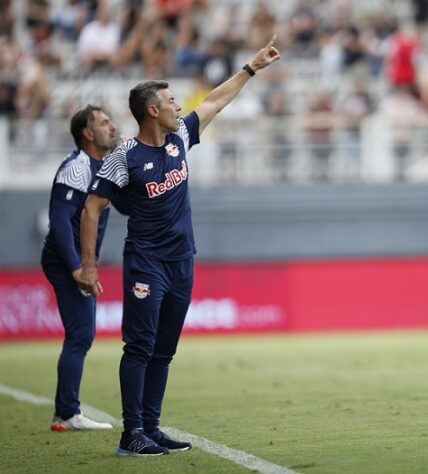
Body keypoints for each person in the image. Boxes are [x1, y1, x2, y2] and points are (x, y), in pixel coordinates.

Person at [78, 36, 281, 457]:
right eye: (171, 101)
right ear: (153, 110)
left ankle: (150, 428)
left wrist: (252, 67)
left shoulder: (181, 138)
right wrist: (89, 266)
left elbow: (214, 102)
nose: (179, 106)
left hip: (182, 261)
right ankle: (130, 433)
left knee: (164, 351)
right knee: (139, 346)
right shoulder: (124, 157)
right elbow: (91, 209)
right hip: (146, 262)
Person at [41, 105, 119, 432]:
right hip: (65, 260)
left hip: (79, 260)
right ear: (88, 134)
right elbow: (59, 220)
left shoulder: (105, 164)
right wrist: (77, 268)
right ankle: (68, 413)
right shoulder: (77, 166)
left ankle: (65, 412)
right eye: (104, 123)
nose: (112, 127)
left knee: (80, 335)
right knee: (81, 335)